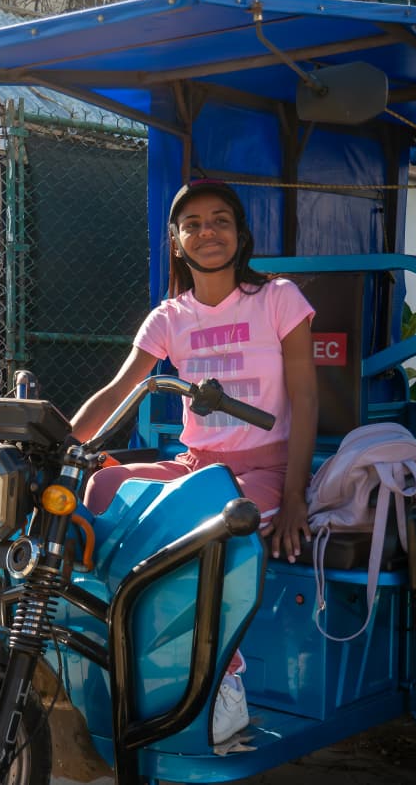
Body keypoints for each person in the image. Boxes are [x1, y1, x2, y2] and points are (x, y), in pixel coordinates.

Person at [70, 179, 318, 744]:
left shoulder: (279, 299)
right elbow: (117, 391)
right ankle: (120, 656)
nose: (208, 231)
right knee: (103, 486)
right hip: (196, 465)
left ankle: (222, 685)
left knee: (201, 532)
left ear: (240, 234)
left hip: (263, 471)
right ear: (177, 241)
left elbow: (306, 400)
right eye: (194, 224)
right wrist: (57, 441)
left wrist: (297, 494)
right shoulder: (168, 317)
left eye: (221, 220)